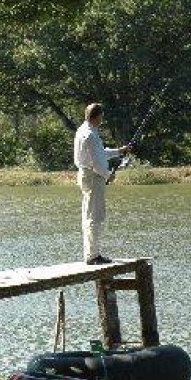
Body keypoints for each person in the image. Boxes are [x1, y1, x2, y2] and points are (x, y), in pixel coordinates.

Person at [73, 103, 129, 265]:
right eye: (101, 117)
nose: (102, 120)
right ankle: (93, 256)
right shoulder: (90, 135)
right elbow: (97, 163)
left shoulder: (83, 131)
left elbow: (100, 153)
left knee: (89, 215)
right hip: (93, 177)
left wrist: (119, 151)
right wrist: (108, 175)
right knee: (95, 216)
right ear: (96, 117)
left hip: (87, 175)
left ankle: (92, 254)